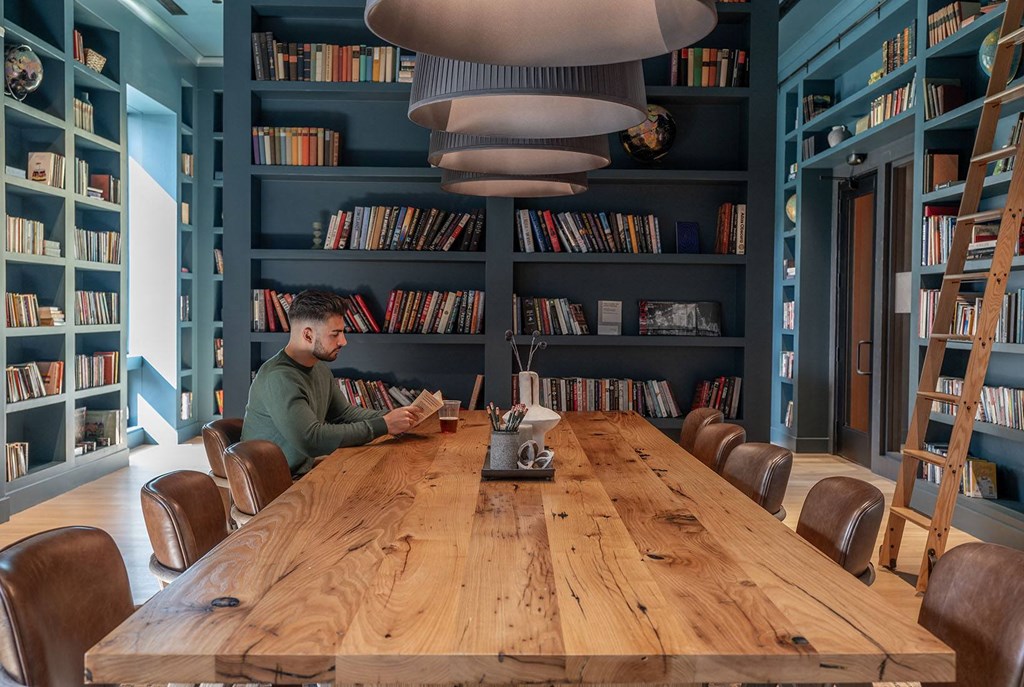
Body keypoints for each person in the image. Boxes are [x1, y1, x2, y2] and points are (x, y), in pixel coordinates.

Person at [241, 290, 422, 475]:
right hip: (275, 489)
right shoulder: (279, 377)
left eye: (342, 333)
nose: (343, 341)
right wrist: (385, 425)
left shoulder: (318, 368)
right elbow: (312, 440)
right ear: (308, 335)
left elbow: (344, 414)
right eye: (335, 334)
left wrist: (397, 417)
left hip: (301, 476)